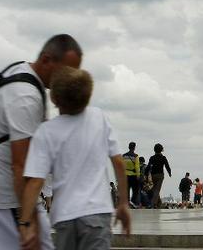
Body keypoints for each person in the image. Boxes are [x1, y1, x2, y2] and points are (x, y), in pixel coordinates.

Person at [0, 34, 82, 250]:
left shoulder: (19, 70)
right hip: (1, 198)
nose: (70, 79)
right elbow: (21, 165)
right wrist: (28, 221)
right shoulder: (26, 97)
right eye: (66, 71)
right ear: (46, 60)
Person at [19, 67, 131, 250]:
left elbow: (35, 181)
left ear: (54, 98)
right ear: (88, 95)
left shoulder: (46, 131)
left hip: (65, 216)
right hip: (97, 213)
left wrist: (25, 223)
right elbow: (118, 162)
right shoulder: (99, 118)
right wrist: (123, 203)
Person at [147, 143, 171, 208]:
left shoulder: (152, 158)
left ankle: (158, 203)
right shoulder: (163, 157)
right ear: (161, 150)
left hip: (153, 175)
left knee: (154, 189)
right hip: (160, 175)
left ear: (154, 150)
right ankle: (153, 204)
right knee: (157, 190)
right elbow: (167, 166)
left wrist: (146, 173)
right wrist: (169, 173)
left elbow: (148, 166)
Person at [123, 142, 140, 208]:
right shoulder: (136, 156)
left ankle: (127, 203)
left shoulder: (124, 156)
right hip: (134, 175)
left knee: (127, 190)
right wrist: (138, 176)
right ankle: (132, 202)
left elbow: (122, 166)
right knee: (135, 190)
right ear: (134, 148)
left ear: (128, 147)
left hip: (125, 175)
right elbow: (137, 166)